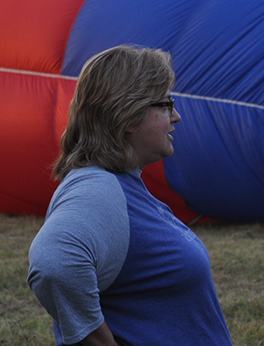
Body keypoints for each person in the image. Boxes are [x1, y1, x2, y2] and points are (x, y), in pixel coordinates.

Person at [27, 45, 233, 346]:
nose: (176, 116)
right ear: (127, 117)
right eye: (165, 104)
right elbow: (54, 265)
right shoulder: (97, 186)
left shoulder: (121, 185)